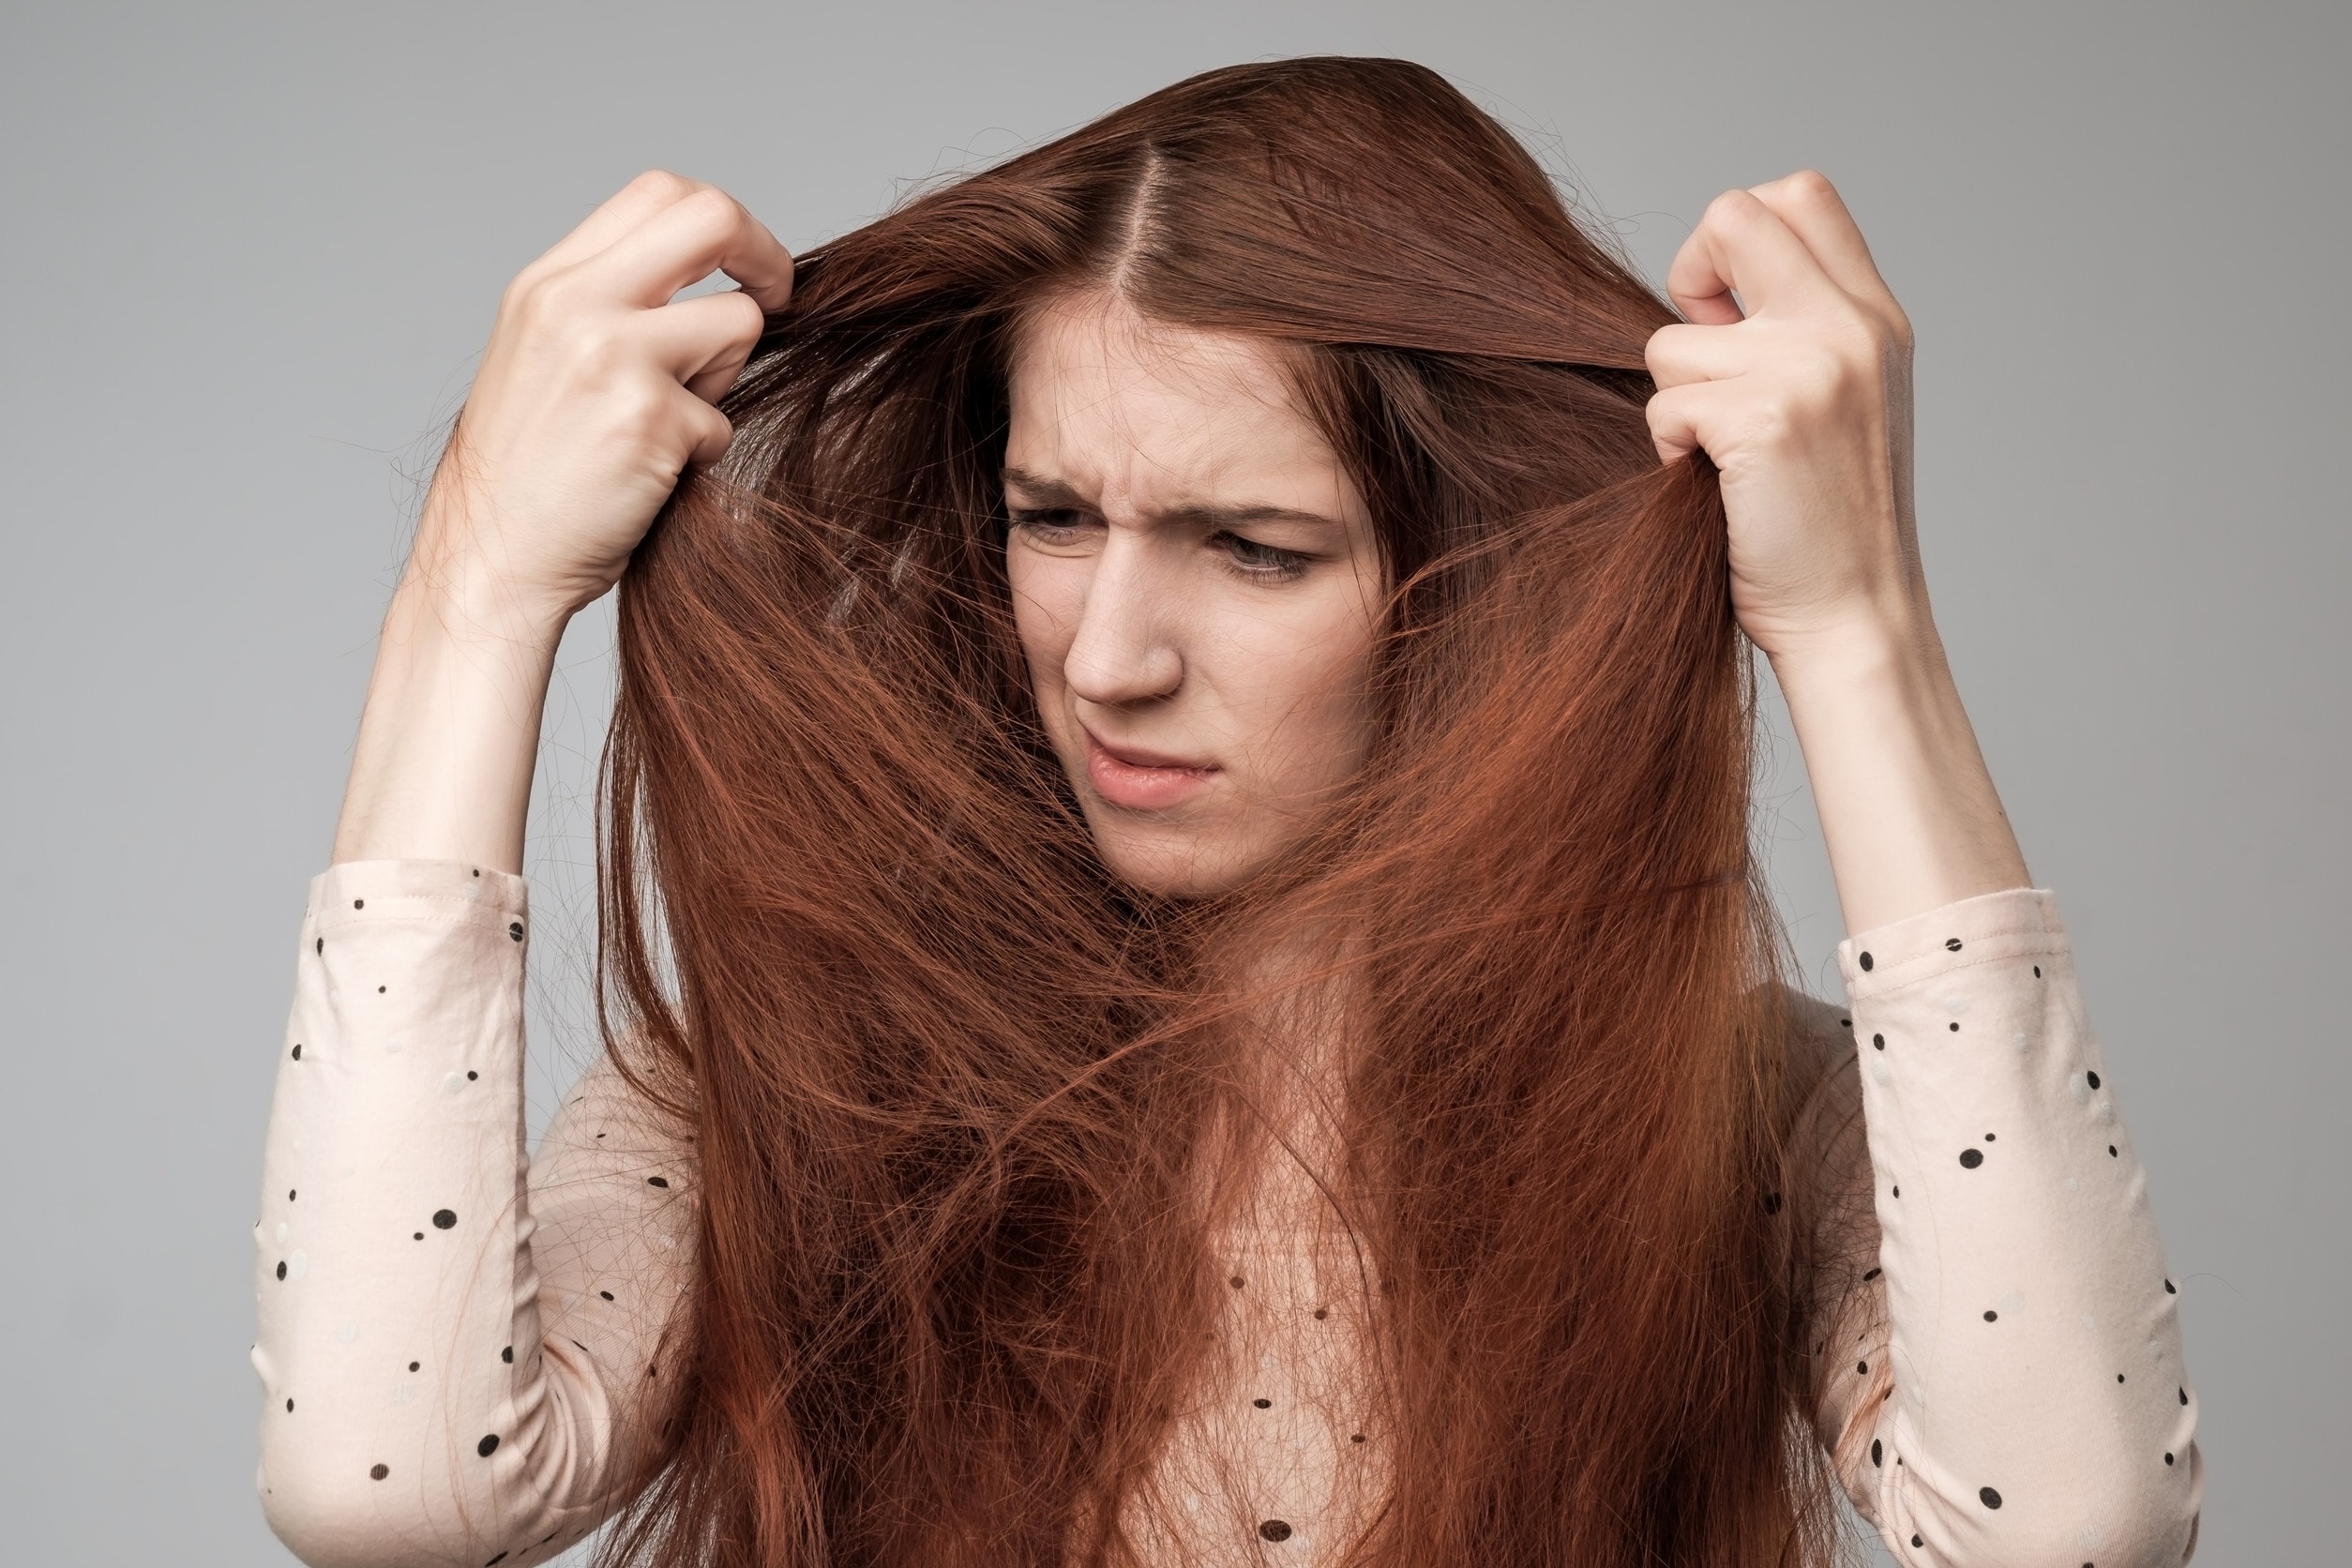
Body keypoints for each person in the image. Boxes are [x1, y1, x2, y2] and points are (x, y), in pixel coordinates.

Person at [251, 57, 2200, 1568]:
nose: (1105, 654)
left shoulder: (1732, 1111)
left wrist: (1859, 630)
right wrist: (472, 588)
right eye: (1052, 517)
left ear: (1470, 576)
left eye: (1250, 548)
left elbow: (2068, 1517)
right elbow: (385, 1478)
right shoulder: (787, 1089)